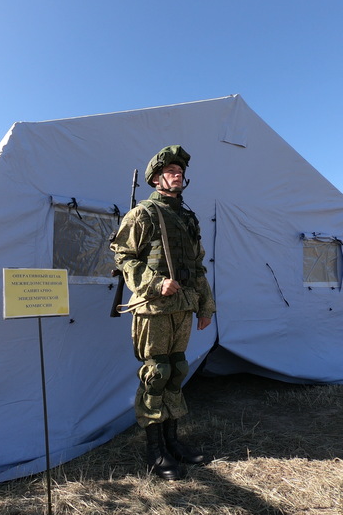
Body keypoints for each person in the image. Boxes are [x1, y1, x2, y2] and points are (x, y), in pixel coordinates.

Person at [110, 145, 216, 480]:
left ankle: (173, 442)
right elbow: (123, 256)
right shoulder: (143, 214)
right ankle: (155, 452)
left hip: (183, 307)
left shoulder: (187, 217)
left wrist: (205, 305)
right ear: (156, 179)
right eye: (170, 171)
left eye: (180, 171)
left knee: (176, 370)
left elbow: (197, 267)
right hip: (154, 308)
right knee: (156, 373)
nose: (177, 175)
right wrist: (156, 283)